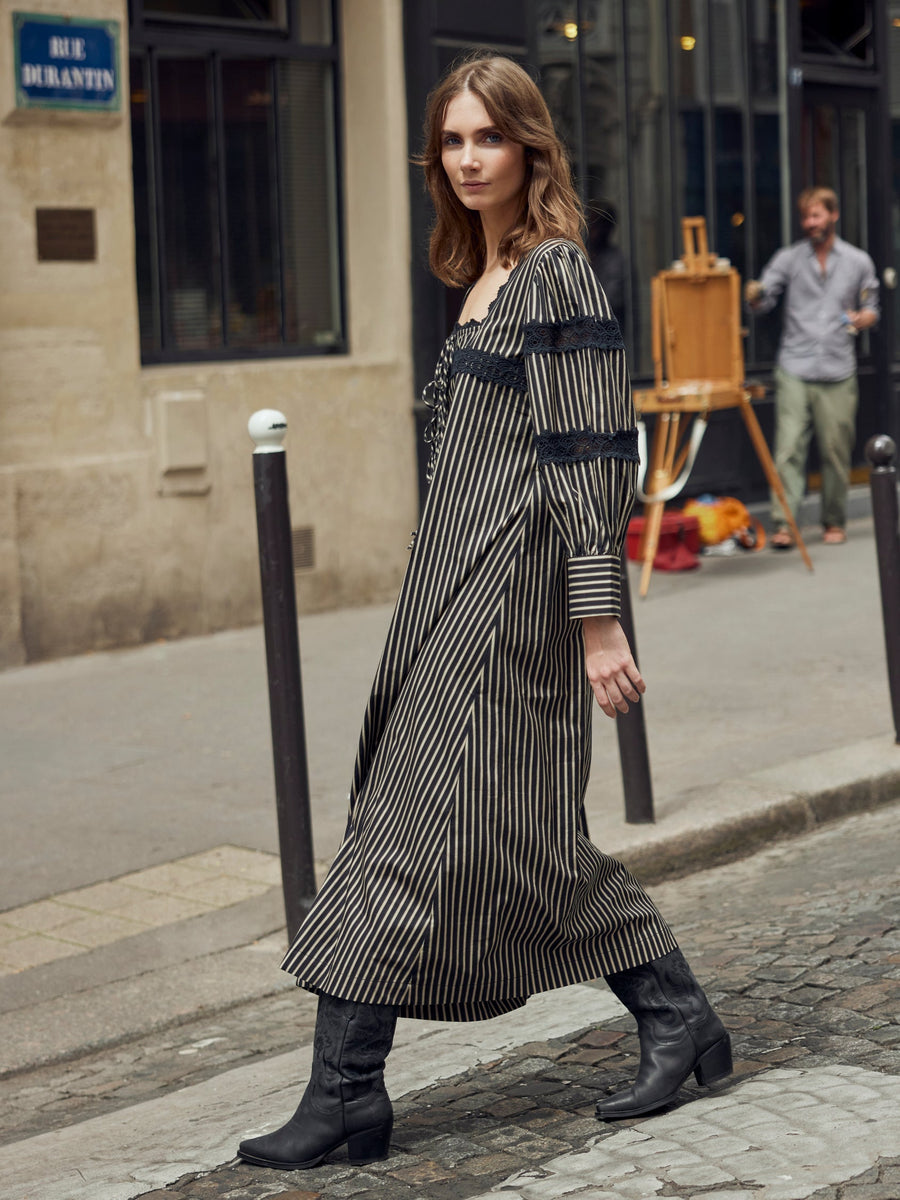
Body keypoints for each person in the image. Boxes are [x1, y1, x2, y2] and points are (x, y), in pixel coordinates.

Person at [237, 54, 731, 1174]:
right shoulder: (485, 276)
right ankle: (678, 1016)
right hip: (449, 596)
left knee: (413, 833)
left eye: (489, 138)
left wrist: (599, 621)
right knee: (509, 838)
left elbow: (591, 457)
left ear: (532, 148)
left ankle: (346, 1096)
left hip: (515, 599)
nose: (468, 159)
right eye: (453, 141)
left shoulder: (557, 274)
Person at [744, 187, 879, 548]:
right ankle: (785, 524)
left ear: (834, 215)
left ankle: (834, 521)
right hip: (795, 366)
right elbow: (764, 298)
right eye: (805, 217)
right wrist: (755, 295)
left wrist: (862, 318)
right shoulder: (788, 258)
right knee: (788, 448)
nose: (810, 223)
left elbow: (872, 307)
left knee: (836, 450)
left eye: (817, 215)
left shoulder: (857, 261)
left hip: (838, 368)